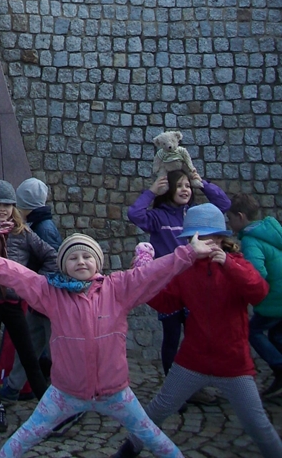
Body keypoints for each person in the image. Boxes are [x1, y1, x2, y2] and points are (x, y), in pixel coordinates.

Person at [0, 226, 217, 457]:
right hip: (65, 393)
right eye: (73, 257)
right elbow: (20, 276)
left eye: (87, 256)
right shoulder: (51, 294)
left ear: (98, 262)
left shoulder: (118, 288)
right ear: (63, 264)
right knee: (26, 436)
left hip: (116, 393)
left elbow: (151, 273)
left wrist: (189, 253)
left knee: (152, 436)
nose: (81, 261)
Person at [111, 204, 282, 458]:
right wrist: (143, 282)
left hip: (234, 363)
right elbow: (167, 302)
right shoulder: (186, 270)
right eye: (196, 238)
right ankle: (128, 450)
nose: (201, 244)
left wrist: (228, 266)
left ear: (221, 239)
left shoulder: (238, 263)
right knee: (158, 409)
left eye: (207, 238)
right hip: (192, 360)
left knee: (257, 424)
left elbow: (258, 292)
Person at [127, 166, 230, 377]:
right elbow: (134, 214)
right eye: (180, 185)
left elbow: (223, 205)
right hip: (169, 288)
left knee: (197, 337)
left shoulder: (195, 216)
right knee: (172, 337)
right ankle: (171, 386)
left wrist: (203, 185)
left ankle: (193, 384)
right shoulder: (157, 217)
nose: (185, 189)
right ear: (169, 189)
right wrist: (152, 191)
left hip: (196, 286)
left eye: (188, 186)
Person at [0, 180, 56, 433]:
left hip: (13, 302)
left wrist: (35, 282)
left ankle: (48, 410)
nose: (3, 209)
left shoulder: (23, 234)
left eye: (8, 205)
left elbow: (51, 256)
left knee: (28, 355)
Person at [1, 177, 64, 404]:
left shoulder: (42, 228)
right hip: (42, 301)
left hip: (49, 299)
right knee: (29, 343)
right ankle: (12, 387)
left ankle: (64, 395)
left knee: (53, 348)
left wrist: (39, 284)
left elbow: (54, 261)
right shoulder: (40, 224)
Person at [227, 193, 282, 398]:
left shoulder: (251, 240)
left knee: (254, 331)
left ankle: (279, 367)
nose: (230, 224)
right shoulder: (271, 231)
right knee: (276, 334)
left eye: (230, 219)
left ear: (240, 217)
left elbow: (256, 273)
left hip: (274, 300)